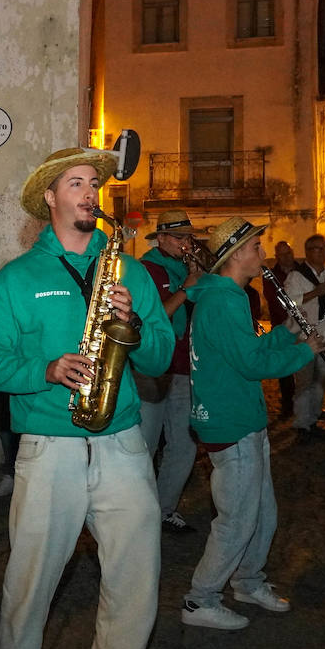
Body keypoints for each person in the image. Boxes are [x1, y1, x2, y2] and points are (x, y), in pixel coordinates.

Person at [0, 147, 174, 649]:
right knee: (30, 581)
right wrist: (47, 367)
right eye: (77, 183)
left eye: (96, 184)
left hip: (121, 444)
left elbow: (162, 358)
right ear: (51, 199)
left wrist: (136, 326)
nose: (91, 193)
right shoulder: (16, 278)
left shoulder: (131, 272)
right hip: (50, 447)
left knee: (137, 576)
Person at [182, 218, 320, 630]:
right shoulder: (223, 301)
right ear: (237, 253)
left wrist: (285, 334)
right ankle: (199, 599)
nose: (263, 253)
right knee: (237, 519)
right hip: (231, 421)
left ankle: (247, 580)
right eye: (257, 246)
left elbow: (244, 350)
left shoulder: (231, 297)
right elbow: (250, 364)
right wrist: (304, 353)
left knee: (262, 512)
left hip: (244, 419)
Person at [137, 210, 206, 535]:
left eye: (189, 238)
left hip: (184, 368)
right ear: (161, 238)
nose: (186, 244)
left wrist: (200, 282)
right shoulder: (146, 269)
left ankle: (164, 509)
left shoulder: (187, 269)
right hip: (153, 368)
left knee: (184, 444)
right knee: (145, 445)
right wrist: (187, 287)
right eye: (179, 237)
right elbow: (156, 317)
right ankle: (137, 512)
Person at [282, 234, 325, 442]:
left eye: (324, 248)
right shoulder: (296, 276)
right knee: (304, 382)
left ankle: (313, 418)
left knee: (321, 382)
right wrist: (316, 292)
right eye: (316, 248)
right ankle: (302, 424)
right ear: (307, 251)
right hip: (303, 337)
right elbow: (289, 304)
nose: (321, 252)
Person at [261, 240, 299, 419]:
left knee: (304, 367)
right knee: (285, 369)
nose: (287, 257)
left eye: (289, 253)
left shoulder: (301, 270)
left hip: (302, 324)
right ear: (277, 257)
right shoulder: (271, 275)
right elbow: (273, 300)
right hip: (282, 325)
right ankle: (287, 404)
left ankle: (305, 404)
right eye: (283, 254)